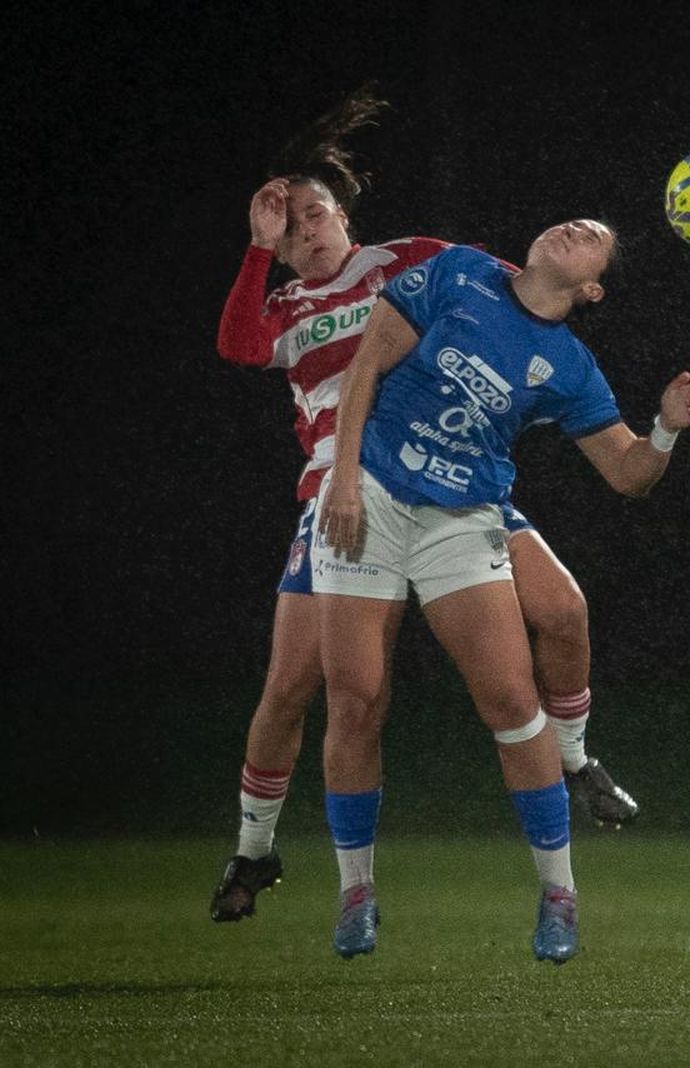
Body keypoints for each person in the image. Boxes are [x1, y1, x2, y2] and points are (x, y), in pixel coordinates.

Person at [209, 86, 637, 927]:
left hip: (452, 485)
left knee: (563, 610)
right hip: (343, 498)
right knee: (294, 689)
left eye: (315, 214)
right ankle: (255, 850)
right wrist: (257, 252)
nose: (306, 231)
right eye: (289, 225)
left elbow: (504, 288)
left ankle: (576, 761)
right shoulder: (285, 310)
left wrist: (562, 317)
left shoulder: (406, 262)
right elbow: (238, 347)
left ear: (345, 217)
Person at [314, 217, 690, 962]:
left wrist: (663, 429)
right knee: (356, 697)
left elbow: (628, 474)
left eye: (594, 236)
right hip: (368, 496)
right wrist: (340, 479)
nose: (577, 227)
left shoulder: (569, 364)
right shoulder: (459, 272)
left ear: (590, 287)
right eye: (573, 220)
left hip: (461, 519)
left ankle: (560, 894)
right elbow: (366, 364)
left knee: (511, 701)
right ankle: (356, 890)